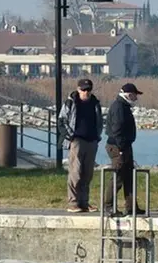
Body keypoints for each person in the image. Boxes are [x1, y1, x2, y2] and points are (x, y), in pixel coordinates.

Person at [59, 78, 103, 213]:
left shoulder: (95, 103)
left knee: (87, 173)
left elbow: (99, 121)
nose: (86, 92)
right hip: (77, 141)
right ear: (78, 89)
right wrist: (70, 137)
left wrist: (97, 136)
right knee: (75, 173)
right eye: (83, 90)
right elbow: (62, 120)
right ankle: (73, 202)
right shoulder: (71, 102)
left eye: (88, 89)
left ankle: (84, 202)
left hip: (92, 141)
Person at [104, 82, 145, 216]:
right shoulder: (119, 108)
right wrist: (121, 149)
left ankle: (131, 207)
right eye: (134, 95)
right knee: (118, 177)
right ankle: (109, 206)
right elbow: (117, 130)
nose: (136, 98)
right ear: (128, 95)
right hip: (117, 147)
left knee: (129, 176)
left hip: (124, 146)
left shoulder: (124, 106)